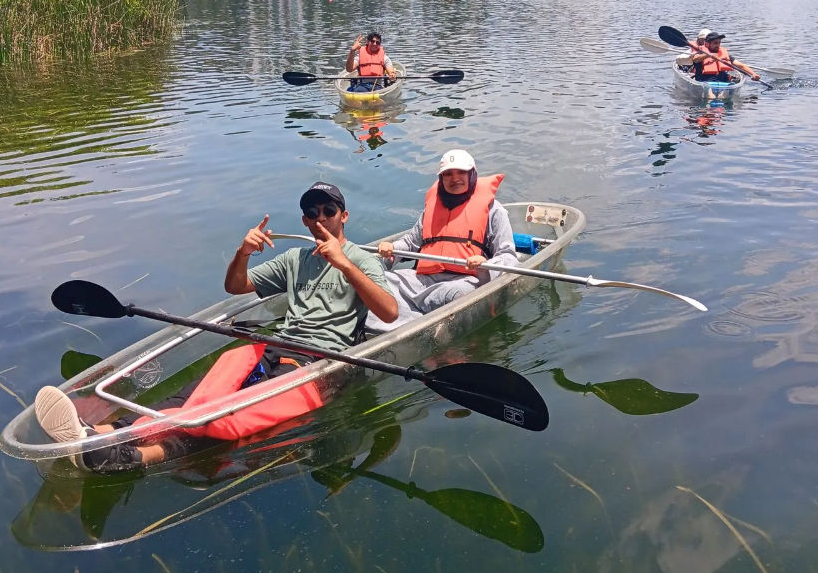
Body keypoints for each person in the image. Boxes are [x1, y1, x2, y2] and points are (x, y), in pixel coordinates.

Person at [35, 182, 398, 473]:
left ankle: (134, 457)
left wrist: (344, 265)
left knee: (229, 416)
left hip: (320, 363)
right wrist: (242, 252)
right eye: (311, 212)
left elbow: (390, 311)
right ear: (303, 220)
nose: (319, 218)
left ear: (343, 216)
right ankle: (102, 435)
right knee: (193, 396)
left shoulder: (361, 260)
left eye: (328, 211)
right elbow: (236, 287)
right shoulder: (294, 258)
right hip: (275, 346)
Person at [365, 149, 518, 331]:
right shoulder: (432, 207)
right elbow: (410, 243)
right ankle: (397, 327)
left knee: (459, 295)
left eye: (461, 172)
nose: (455, 179)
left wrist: (485, 264)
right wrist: (391, 249)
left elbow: (509, 257)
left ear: (472, 174)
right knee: (375, 282)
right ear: (441, 179)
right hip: (422, 280)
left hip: (462, 281)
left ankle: (415, 328)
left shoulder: (494, 211)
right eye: (448, 174)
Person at [691, 31, 760, 82]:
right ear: (707, 44)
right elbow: (695, 59)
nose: (718, 45)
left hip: (722, 81)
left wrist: (753, 74)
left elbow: (741, 66)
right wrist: (708, 55)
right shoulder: (701, 52)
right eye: (715, 43)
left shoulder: (722, 53)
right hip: (705, 81)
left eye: (719, 43)